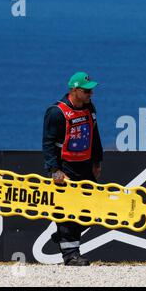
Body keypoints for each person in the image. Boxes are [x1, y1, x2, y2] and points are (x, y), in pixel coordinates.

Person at [42, 71, 103, 266]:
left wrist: (97, 162)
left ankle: (62, 236)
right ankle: (71, 256)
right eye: (86, 91)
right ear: (74, 90)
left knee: (91, 212)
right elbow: (48, 143)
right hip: (65, 169)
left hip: (85, 167)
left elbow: (95, 135)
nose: (90, 94)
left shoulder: (89, 108)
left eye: (91, 91)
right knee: (67, 213)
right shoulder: (56, 112)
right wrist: (54, 170)